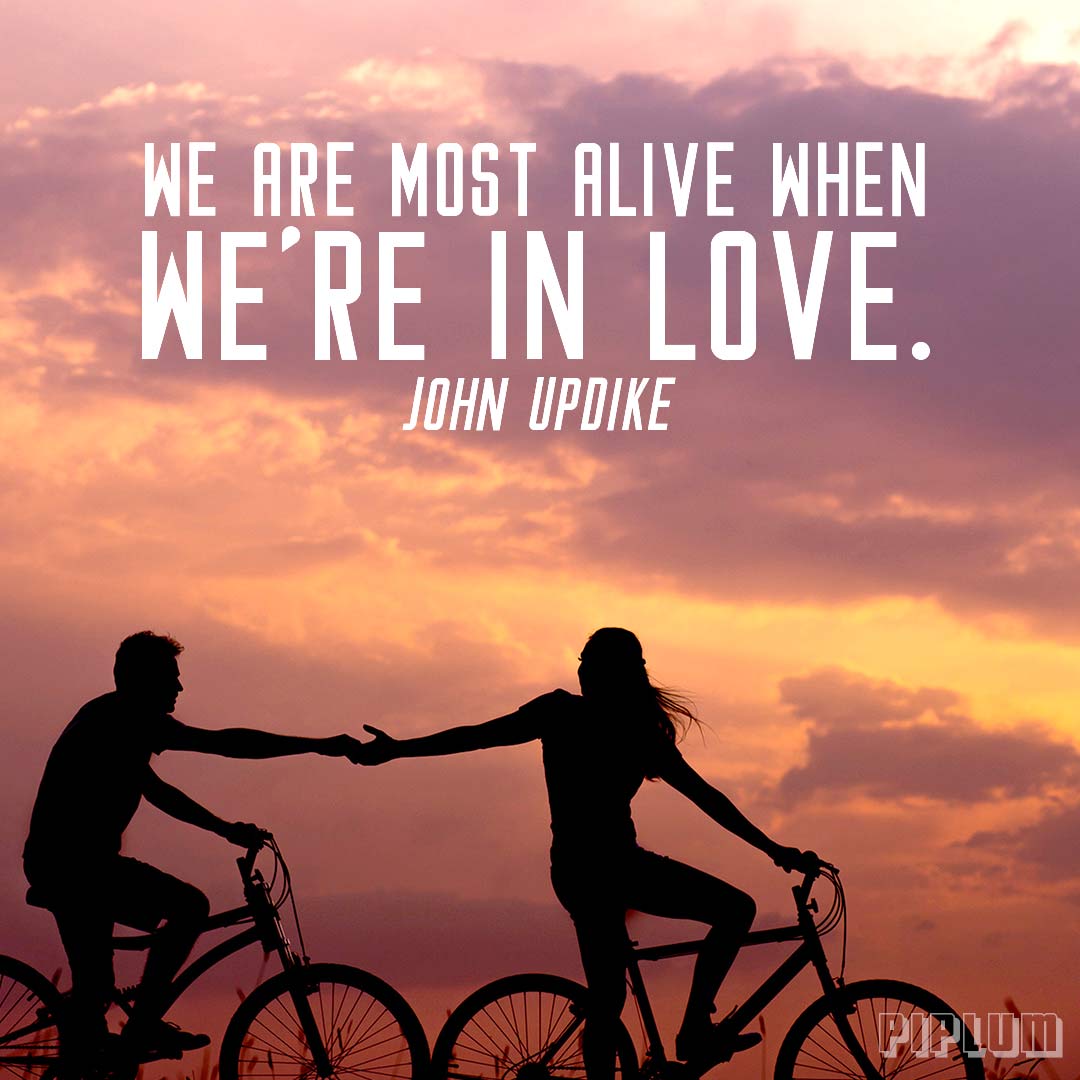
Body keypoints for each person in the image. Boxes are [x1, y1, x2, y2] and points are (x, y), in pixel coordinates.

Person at [352, 627, 820, 1080]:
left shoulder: (602, 724)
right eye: (582, 661)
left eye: (589, 662)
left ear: (612, 672)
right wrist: (775, 851)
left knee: (609, 995)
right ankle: (695, 1028)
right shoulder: (597, 722)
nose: (581, 670)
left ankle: (684, 1033)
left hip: (586, 870)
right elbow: (476, 735)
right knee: (732, 911)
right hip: (610, 868)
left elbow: (706, 797)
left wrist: (774, 849)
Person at [23, 630, 361, 1064]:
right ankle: (141, 1022)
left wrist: (224, 828)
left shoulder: (116, 722)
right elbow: (225, 743)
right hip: (72, 868)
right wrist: (316, 745)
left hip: (79, 866)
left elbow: (156, 790)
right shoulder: (124, 718)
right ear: (141, 679)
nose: (179, 688)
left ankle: (104, 1039)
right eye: (170, 677)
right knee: (188, 907)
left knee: (96, 993)